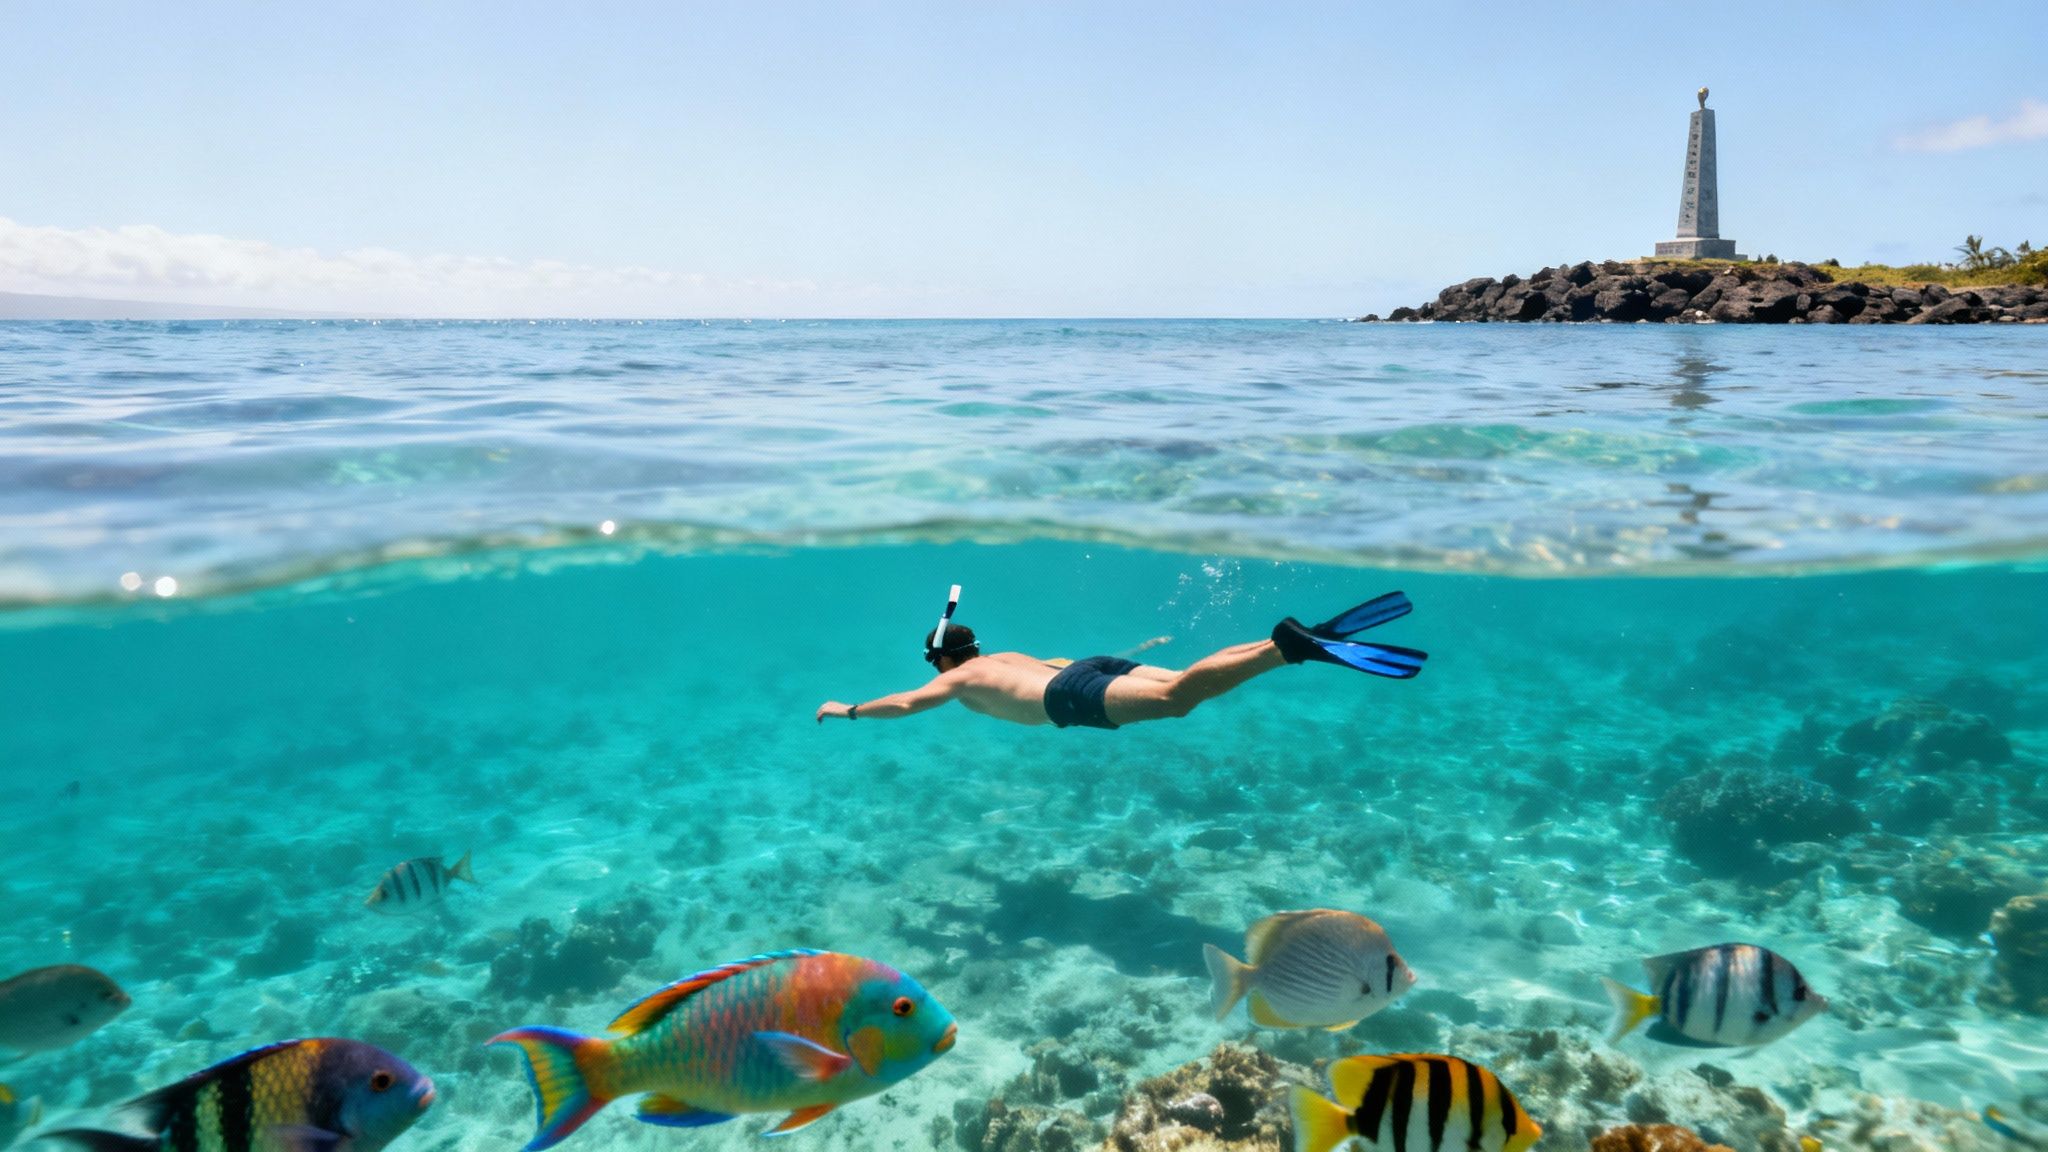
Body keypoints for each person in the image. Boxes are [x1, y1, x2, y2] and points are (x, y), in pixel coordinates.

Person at [814, 592, 1425, 731]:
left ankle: (1291, 647)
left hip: (1069, 698)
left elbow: (905, 703)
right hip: (1087, 667)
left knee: (1178, 699)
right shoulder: (1004, 655)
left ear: (943, 658)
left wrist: (850, 710)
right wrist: (1133, 656)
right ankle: (1294, 642)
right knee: (1185, 680)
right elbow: (1064, 660)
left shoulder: (963, 677)